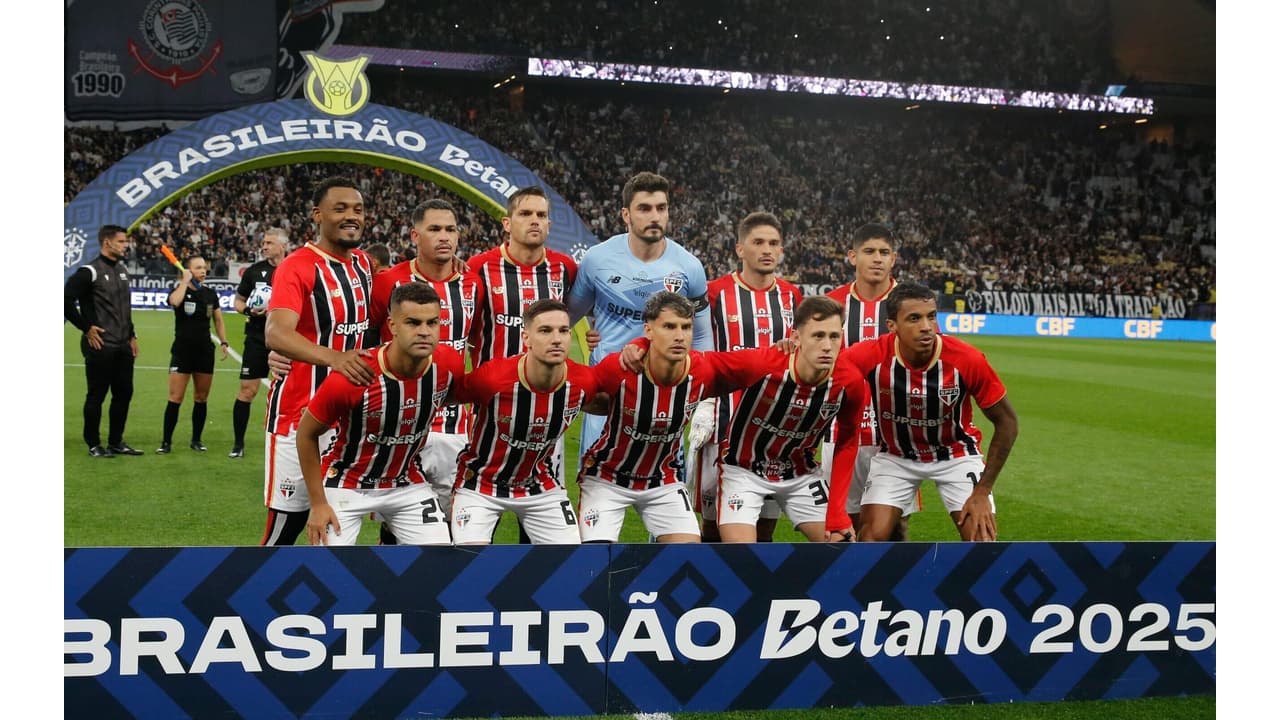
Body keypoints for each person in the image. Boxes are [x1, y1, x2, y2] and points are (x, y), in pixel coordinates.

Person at [828, 283, 1019, 543]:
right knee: (871, 539)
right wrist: (788, 349)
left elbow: (1007, 423)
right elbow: (820, 373)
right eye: (914, 318)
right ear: (892, 325)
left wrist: (983, 490)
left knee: (982, 541)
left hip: (956, 454)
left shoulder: (966, 359)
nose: (927, 326)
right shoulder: (870, 355)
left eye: (931, 316)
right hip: (897, 457)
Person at [579, 292, 777, 544]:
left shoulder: (702, 370)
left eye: (686, 327)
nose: (679, 336)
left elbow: (758, 361)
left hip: (663, 480)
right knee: (594, 560)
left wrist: (789, 348)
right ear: (648, 330)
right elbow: (580, 389)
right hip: (607, 478)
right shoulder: (620, 367)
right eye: (669, 327)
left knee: (687, 557)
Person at [300, 282, 464, 546]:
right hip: (346, 482)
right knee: (328, 568)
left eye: (432, 323)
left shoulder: (449, 363)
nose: (424, 332)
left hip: (405, 482)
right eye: (413, 322)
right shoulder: (355, 374)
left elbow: (457, 395)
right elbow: (306, 434)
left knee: (438, 563)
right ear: (392, 325)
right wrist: (318, 504)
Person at [260, 176, 377, 546]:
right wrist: (334, 358)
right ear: (317, 215)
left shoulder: (364, 264)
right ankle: (253, 599)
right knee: (286, 529)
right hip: (298, 415)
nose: (351, 216)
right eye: (340, 208)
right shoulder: (298, 266)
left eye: (357, 209)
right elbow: (277, 333)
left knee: (335, 527)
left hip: (350, 420)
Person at [567, 171, 712, 468]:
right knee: (596, 489)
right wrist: (585, 338)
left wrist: (702, 397)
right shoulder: (597, 260)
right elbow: (566, 318)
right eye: (644, 208)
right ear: (626, 214)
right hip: (608, 394)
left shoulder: (689, 267)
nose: (655, 216)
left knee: (666, 491)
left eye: (661, 208)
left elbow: (701, 336)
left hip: (665, 396)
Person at [466, 186, 577, 542]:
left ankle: (532, 595)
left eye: (541, 215)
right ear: (506, 222)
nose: (535, 221)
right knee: (485, 506)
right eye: (526, 214)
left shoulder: (564, 268)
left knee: (540, 511)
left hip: (549, 411)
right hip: (492, 410)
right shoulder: (480, 268)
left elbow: (574, 318)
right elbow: (464, 328)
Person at [450, 299, 606, 545]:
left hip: (539, 485)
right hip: (480, 484)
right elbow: (445, 396)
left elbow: (613, 400)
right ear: (526, 338)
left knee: (571, 566)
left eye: (563, 331)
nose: (557, 339)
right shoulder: (493, 378)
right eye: (545, 331)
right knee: (472, 565)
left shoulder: (583, 381)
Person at [689, 211, 801, 542]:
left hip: (774, 430)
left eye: (774, 243)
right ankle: (709, 593)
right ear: (740, 248)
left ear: (781, 250)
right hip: (723, 424)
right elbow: (693, 346)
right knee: (712, 528)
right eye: (758, 242)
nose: (767, 250)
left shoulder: (792, 297)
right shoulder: (714, 294)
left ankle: (754, 593)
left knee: (763, 530)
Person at [716, 296, 865, 543]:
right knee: (740, 557)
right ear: (796, 338)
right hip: (743, 470)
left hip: (799, 474)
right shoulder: (762, 364)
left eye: (834, 336)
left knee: (844, 548)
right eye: (818, 336)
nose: (827, 346)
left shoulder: (849, 382)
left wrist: (837, 512)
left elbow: (848, 442)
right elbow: (701, 366)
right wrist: (644, 346)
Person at [368, 199, 476, 540]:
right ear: (415, 235)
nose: (444, 237)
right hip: (397, 423)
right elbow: (364, 339)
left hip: (454, 426)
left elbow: (486, 341)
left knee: (450, 523)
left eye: (450, 229)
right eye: (434, 229)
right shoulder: (388, 282)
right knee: (395, 522)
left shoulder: (473, 283)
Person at [823, 222, 919, 539]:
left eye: (884, 252)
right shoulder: (831, 305)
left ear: (894, 259)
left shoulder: (911, 306)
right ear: (853, 256)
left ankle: (891, 588)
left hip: (894, 435)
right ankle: (847, 588)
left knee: (893, 527)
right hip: (840, 431)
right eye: (869, 251)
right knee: (842, 524)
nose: (877, 259)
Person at [63, 224, 144, 458]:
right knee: (96, 395)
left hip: (122, 345)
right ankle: (93, 444)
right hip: (100, 345)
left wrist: (132, 335)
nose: (125, 245)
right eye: (121, 241)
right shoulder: (89, 271)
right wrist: (86, 327)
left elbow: (124, 309)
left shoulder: (121, 270)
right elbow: (65, 300)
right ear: (107, 242)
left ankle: (116, 442)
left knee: (123, 394)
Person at [156, 255, 230, 453]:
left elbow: (219, 320)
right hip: (182, 351)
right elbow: (174, 301)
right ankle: (166, 443)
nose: (203, 271)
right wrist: (184, 282)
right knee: (175, 398)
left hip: (205, 352)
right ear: (187, 271)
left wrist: (223, 341)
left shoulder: (210, 294)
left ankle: (196, 440)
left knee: (201, 398)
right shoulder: (180, 290)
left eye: (204, 268)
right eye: (198, 268)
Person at [229, 228, 289, 458]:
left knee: (286, 392)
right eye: (263, 242)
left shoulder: (293, 268)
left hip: (285, 340)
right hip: (256, 339)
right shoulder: (254, 271)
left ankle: (282, 440)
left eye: (269, 243)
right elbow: (238, 300)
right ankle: (238, 444)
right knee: (247, 390)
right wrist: (248, 310)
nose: (264, 246)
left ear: (282, 246)